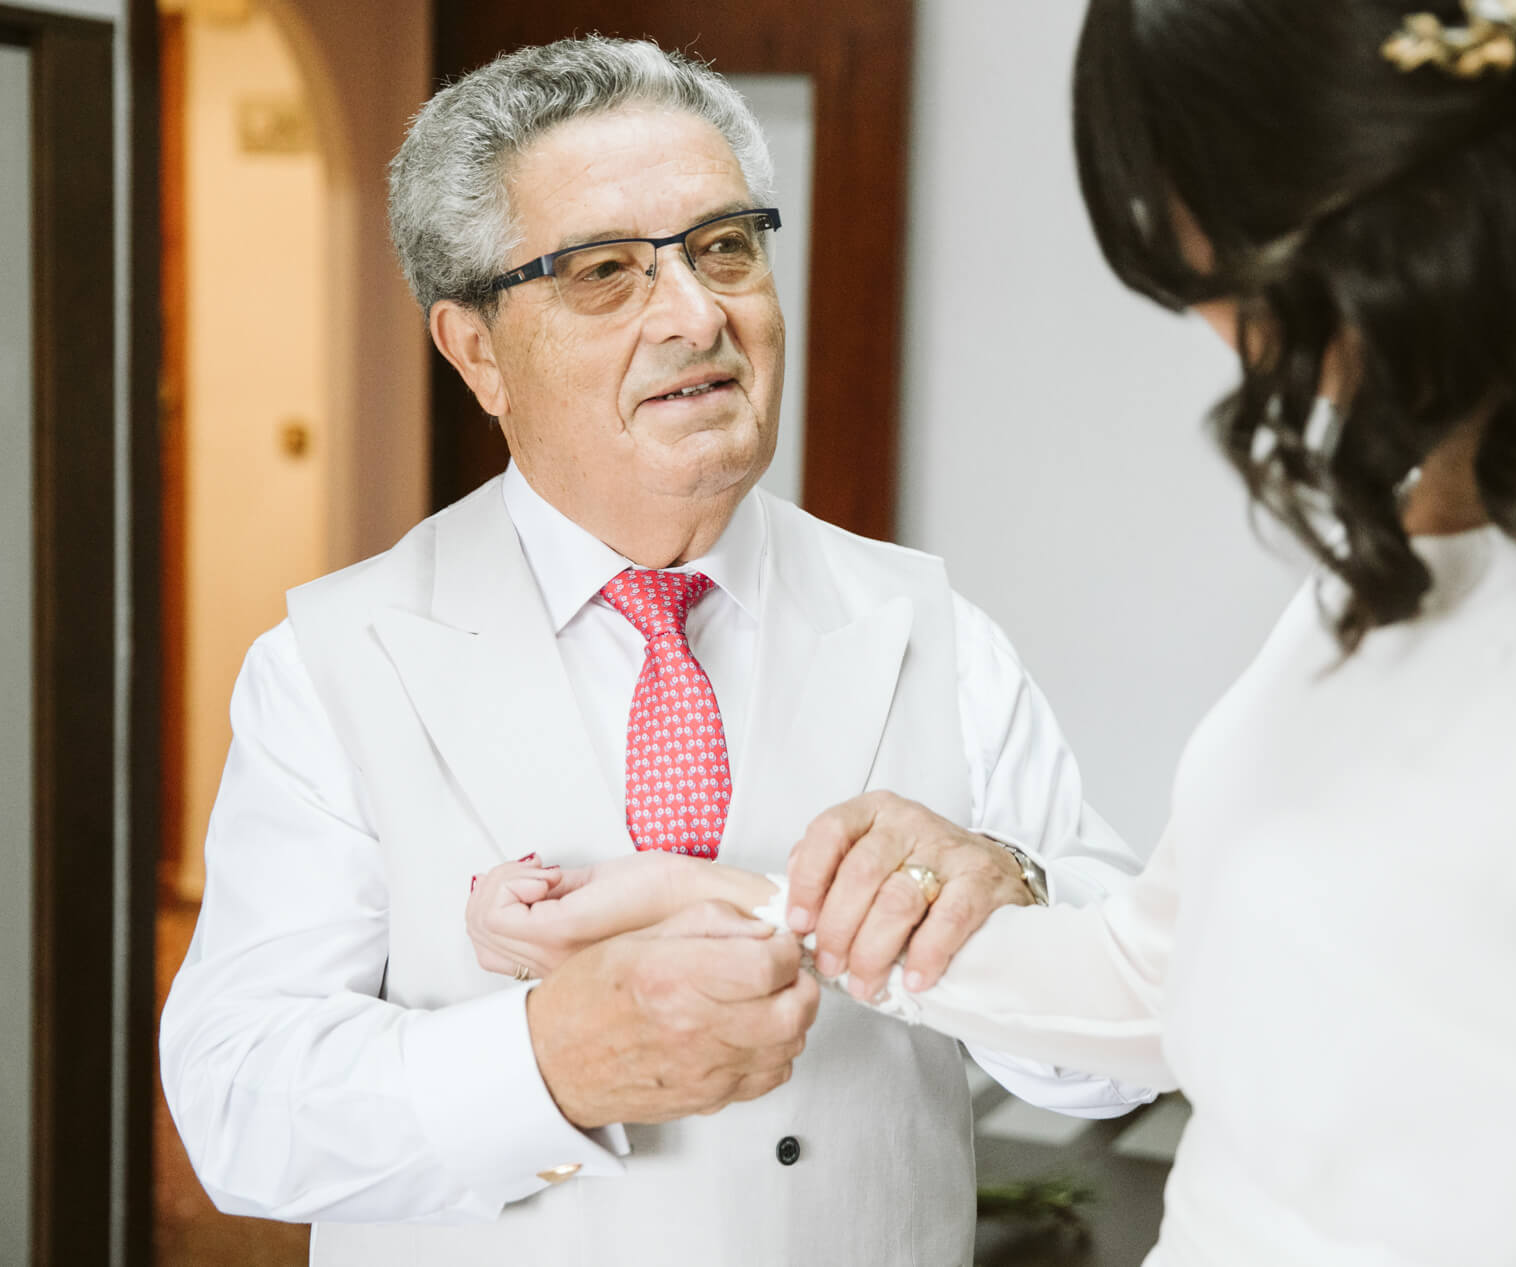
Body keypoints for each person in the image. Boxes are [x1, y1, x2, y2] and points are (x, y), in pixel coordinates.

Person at [773, 1, 1516, 1263]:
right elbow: (1158, 976)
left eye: (1204, 263)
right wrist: (812, 916)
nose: (1209, 328)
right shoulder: (1400, 555)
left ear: (1362, 200)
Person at [158, 35, 1151, 1267]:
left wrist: (1013, 894)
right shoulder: (332, 662)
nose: (697, 314)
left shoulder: (935, 633)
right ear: (473, 350)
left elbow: (1118, 1058)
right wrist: (548, 1060)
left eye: (725, 247)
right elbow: (237, 1108)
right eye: (603, 272)